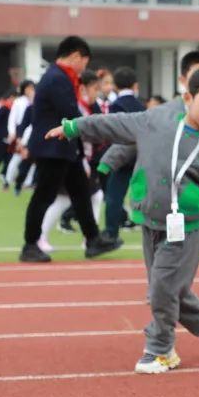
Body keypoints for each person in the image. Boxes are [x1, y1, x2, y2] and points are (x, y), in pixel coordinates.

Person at [46, 66, 199, 374]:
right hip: (150, 221)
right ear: (188, 97)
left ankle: (161, 349)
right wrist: (74, 128)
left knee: (161, 291)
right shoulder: (155, 121)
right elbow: (113, 125)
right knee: (171, 292)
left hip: (185, 230)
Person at [99, 51, 199, 301]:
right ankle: (157, 288)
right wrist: (109, 162)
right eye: (197, 75)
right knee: (157, 245)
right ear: (184, 81)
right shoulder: (164, 112)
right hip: (167, 194)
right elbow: (133, 137)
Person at [20, 36, 122, 263]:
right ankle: (30, 244)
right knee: (44, 195)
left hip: (63, 147)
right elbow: (69, 112)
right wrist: (91, 128)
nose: (84, 67)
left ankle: (93, 239)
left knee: (81, 193)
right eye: (84, 61)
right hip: (52, 147)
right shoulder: (58, 78)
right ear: (76, 56)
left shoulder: (61, 77)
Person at [101, 66, 145, 242]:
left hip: (120, 156)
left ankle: (111, 232)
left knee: (114, 196)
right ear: (135, 85)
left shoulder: (115, 106)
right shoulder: (141, 105)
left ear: (115, 86)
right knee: (143, 194)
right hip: (141, 155)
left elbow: (111, 132)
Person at [4, 80, 36, 192]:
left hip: (34, 132)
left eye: (32, 88)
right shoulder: (18, 102)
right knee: (17, 158)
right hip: (20, 131)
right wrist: (13, 133)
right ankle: (7, 180)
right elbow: (13, 118)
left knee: (33, 160)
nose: (30, 90)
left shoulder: (37, 101)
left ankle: (27, 182)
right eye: (28, 88)